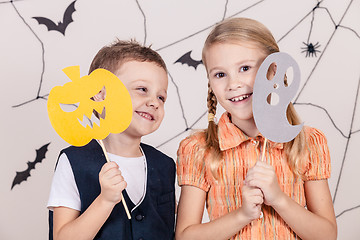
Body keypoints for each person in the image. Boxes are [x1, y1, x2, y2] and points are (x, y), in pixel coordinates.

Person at [175, 18, 337, 240]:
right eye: (220, 74)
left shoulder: (308, 142)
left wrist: (279, 199)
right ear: (210, 82)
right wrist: (242, 215)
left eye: (245, 68)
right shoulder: (198, 149)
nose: (233, 84)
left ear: (273, 70)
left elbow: (327, 235)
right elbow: (185, 236)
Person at [47, 39, 176, 240]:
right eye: (142, 89)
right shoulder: (74, 161)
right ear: (100, 93)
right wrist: (105, 200)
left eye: (161, 97)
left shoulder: (165, 165)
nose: (154, 103)